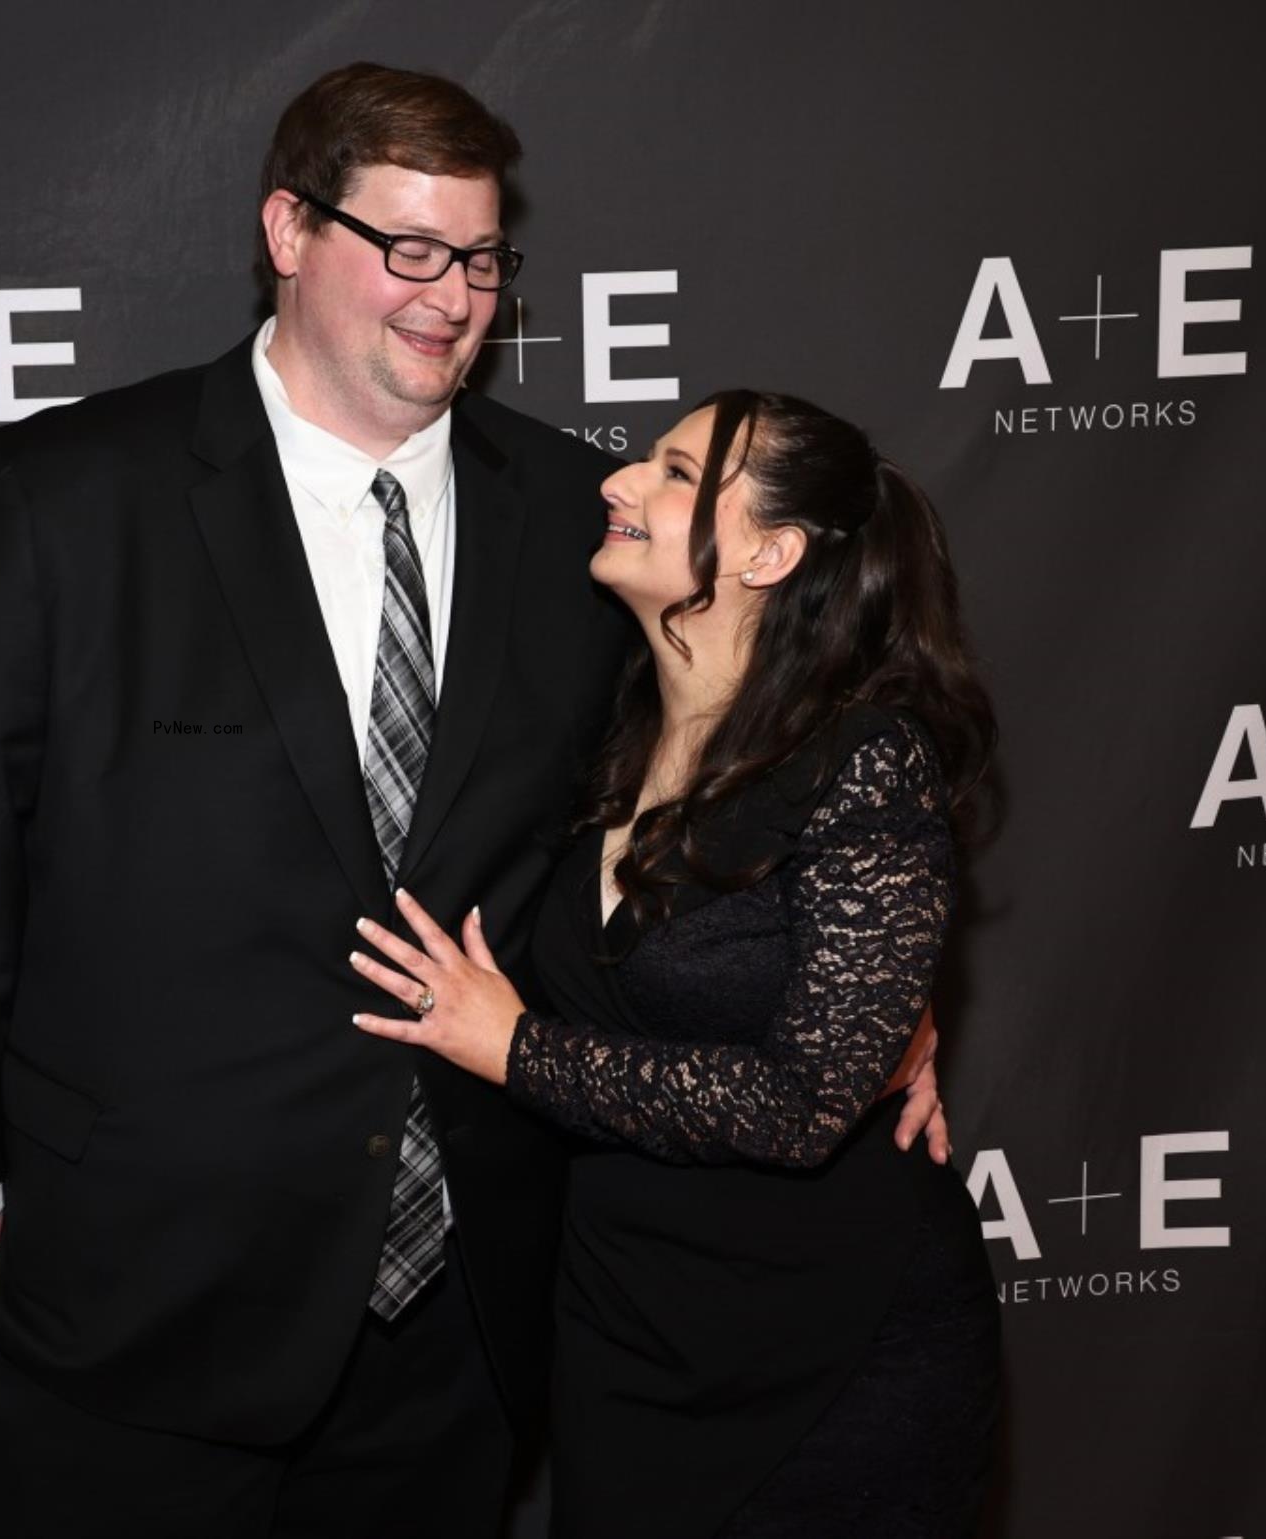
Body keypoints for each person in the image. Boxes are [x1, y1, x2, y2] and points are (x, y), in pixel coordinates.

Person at [0, 62, 948, 1539]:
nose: (452, 296)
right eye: (408, 248)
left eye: (482, 258)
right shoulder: (73, 490)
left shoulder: (579, 512)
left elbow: (733, 772)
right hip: (136, 1284)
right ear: (289, 231)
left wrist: (875, 995)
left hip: (465, 1298)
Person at [348, 389, 1000, 1537]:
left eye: (676, 472)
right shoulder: (604, 739)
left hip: (831, 1352)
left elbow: (804, 1106)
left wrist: (514, 1048)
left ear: (768, 551)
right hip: (623, 1340)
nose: (618, 483)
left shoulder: (862, 758)